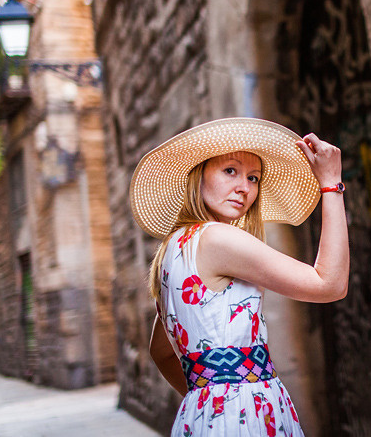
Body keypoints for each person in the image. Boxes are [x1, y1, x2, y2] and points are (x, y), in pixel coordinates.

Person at [130, 117, 349, 436]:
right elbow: (330, 284)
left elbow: (161, 352)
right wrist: (331, 184)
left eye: (254, 177)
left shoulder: (173, 250)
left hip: (204, 416)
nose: (244, 188)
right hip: (246, 416)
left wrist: (208, 400)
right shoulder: (218, 238)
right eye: (230, 170)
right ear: (198, 174)